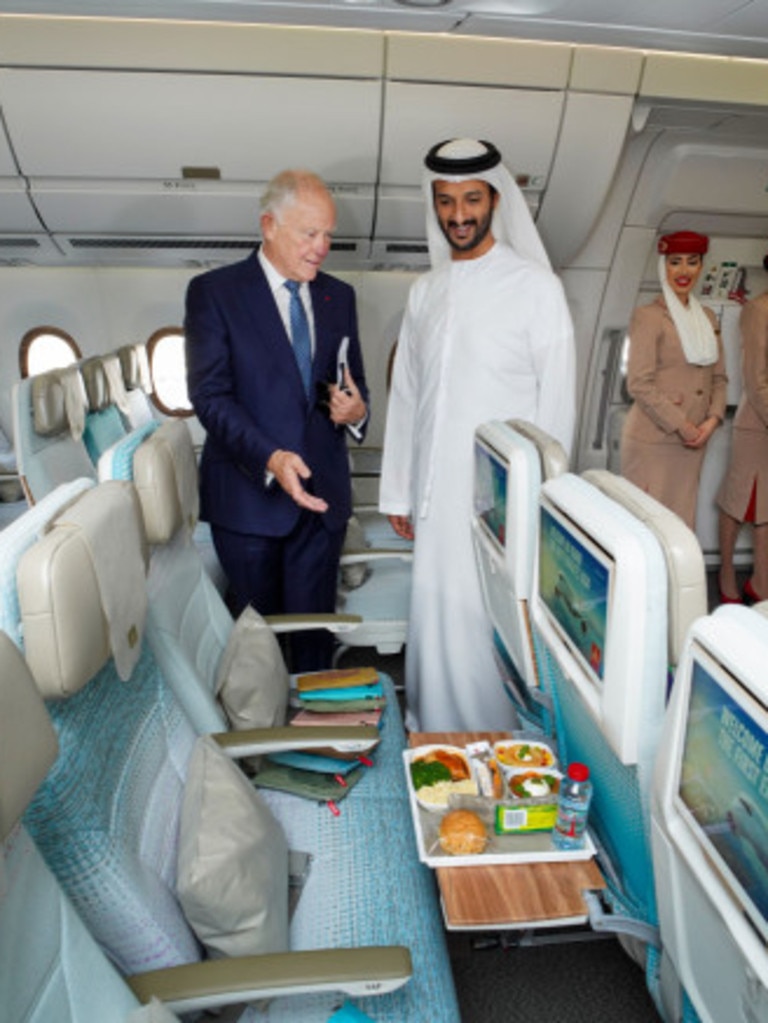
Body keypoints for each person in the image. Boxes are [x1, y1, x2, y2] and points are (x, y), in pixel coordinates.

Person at [379, 138, 576, 732]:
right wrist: (398, 493)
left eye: (470, 199)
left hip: (499, 506)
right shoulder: (425, 291)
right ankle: (431, 736)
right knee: (435, 629)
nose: (458, 214)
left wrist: (541, 506)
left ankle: (495, 745)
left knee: (486, 636)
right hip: (435, 502)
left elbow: (558, 407)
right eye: (445, 201)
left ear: (496, 198)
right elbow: (408, 398)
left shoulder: (536, 288)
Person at [184, 169, 369, 671]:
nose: (322, 246)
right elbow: (210, 396)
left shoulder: (339, 296)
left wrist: (356, 410)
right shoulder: (214, 293)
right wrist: (272, 456)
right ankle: (263, 745)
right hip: (249, 500)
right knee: (256, 652)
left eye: (329, 234)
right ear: (269, 225)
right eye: (310, 233)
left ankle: (316, 739)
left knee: (313, 641)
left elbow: (353, 385)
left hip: (321, 498)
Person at [621, 230, 727, 530]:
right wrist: (683, 425)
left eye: (692, 262)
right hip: (655, 439)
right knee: (646, 529)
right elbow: (639, 383)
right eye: (675, 262)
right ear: (663, 266)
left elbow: (719, 377)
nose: (683, 271)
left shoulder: (707, 318)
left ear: (701, 266)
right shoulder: (649, 316)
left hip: (694, 442)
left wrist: (713, 419)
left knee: (680, 527)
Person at [716, 260, 768, 604]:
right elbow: (756, 377)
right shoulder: (758, 310)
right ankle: (726, 574)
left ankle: (762, 584)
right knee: (739, 503)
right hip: (757, 424)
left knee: (766, 509)